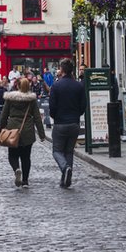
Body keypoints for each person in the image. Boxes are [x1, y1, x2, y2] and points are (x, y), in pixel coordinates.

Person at [0, 78, 47, 188]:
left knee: (12, 155)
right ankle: (25, 181)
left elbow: (4, 115)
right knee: (26, 157)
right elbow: (37, 118)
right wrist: (41, 134)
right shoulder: (31, 100)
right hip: (27, 130)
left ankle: (16, 169)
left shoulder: (10, 98)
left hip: (12, 129)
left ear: (17, 86)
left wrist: (0, 128)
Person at [49, 58, 85, 188]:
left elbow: (52, 108)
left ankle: (65, 168)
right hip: (74, 123)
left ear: (62, 70)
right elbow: (83, 106)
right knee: (69, 151)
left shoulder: (56, 86)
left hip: (60, 123)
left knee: (57, 151)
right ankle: (66, 180)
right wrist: (76, 115)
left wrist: (55, 116)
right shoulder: (79, 86)